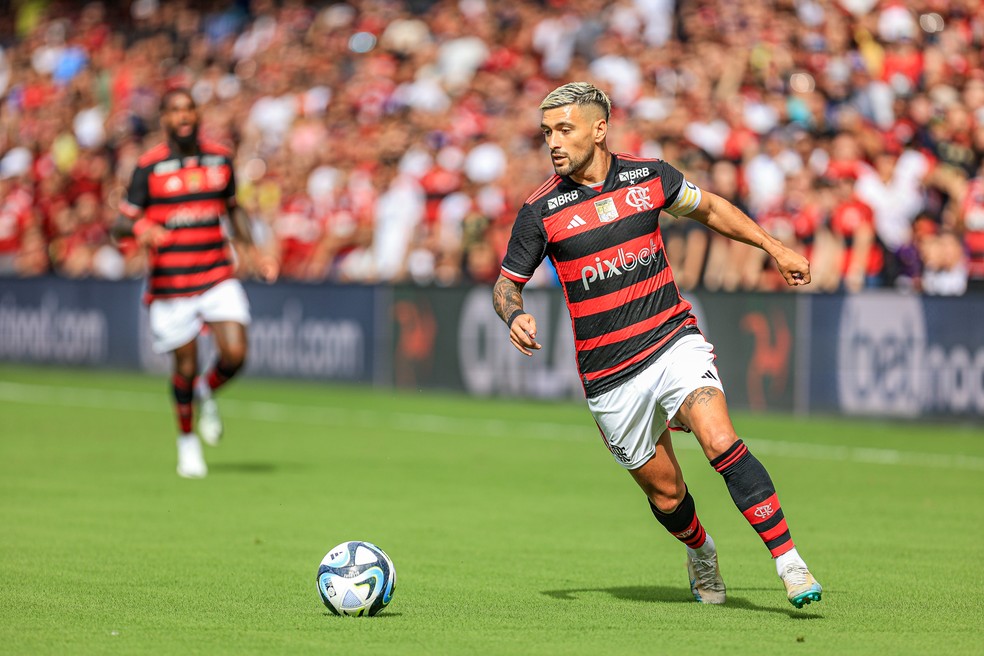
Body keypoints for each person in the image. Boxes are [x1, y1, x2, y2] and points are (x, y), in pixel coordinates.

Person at [492, 82, 822, 608]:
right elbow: (507, 282)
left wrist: (772, 246)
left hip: (672, 341)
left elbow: (710, 208)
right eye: (547, 132)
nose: (553, 141)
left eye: (564, 129)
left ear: (599, 130)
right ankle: (701, 550)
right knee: (667, 494)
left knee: (719, 440)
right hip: (609, 375)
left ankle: (790, 563)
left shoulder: (648, 178)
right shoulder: (541, 210)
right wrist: (514, 314)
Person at [114, 88, 278, 479]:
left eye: (189, 108)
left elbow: (233, 210)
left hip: (217, 273)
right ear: (165, 119)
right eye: (175, 110)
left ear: (197, 114)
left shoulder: (220, 159)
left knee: (235, 354)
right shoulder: (149, 168)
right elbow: (120, 222)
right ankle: (187, 442)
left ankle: (207, 390)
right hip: (171, 285)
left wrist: (253, 252)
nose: (183, 115)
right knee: (183, 367)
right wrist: (142, 227)